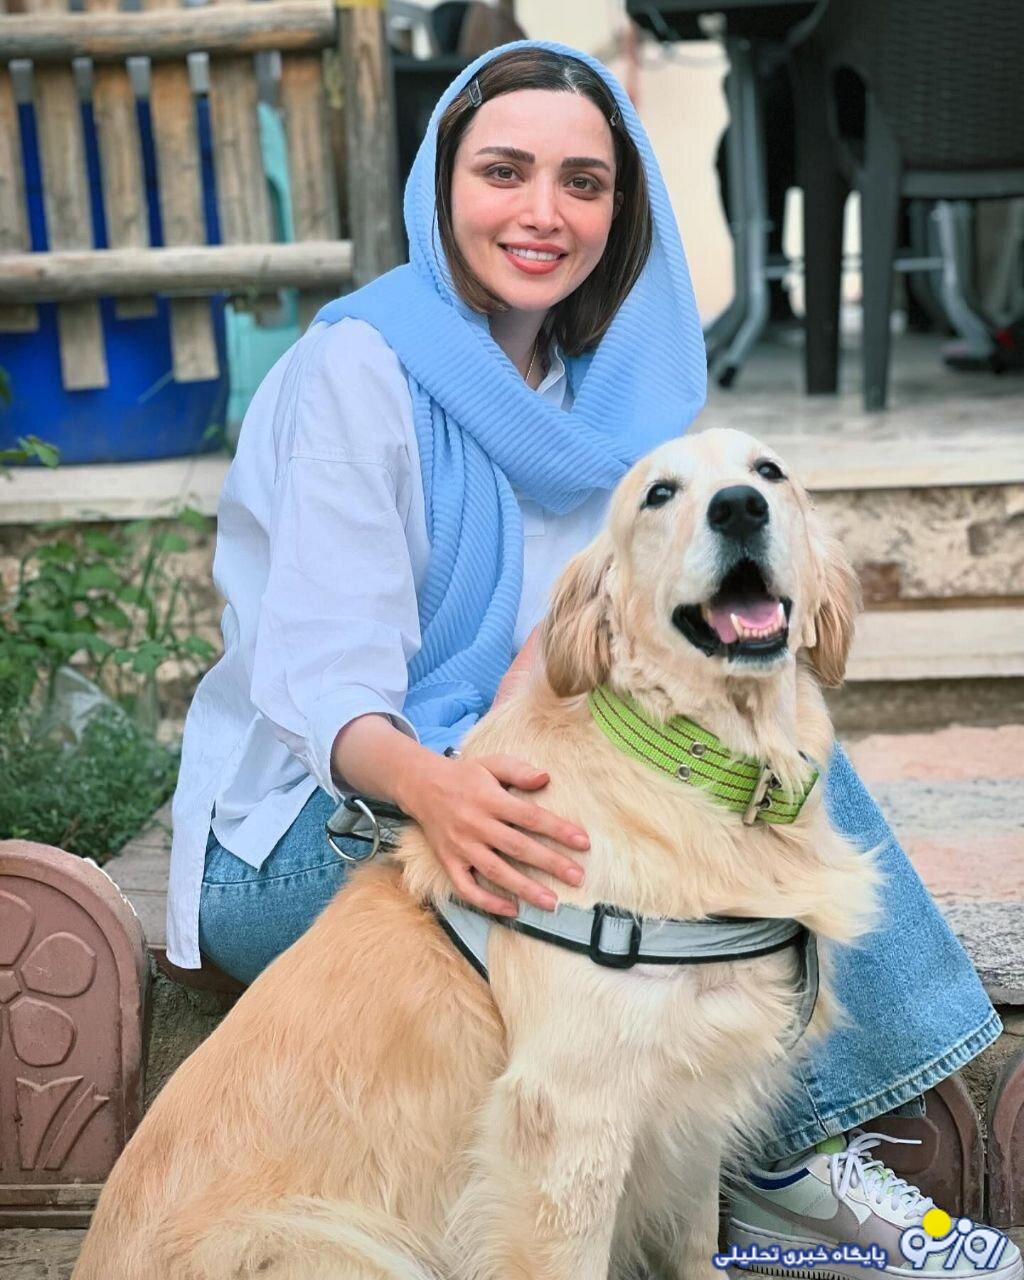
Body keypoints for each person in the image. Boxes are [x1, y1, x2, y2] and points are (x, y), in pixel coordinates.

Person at [165, 40, 1015, 1274]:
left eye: (582, 182)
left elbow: (588, 640)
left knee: (763, 739)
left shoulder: (598, 402)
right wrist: (439, 789)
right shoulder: (358, 368)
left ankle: (764, 1160)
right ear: (439, 185)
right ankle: (796, 1164)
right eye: (502, 172)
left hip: (495, 764)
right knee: (746, 785)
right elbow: (322, 679)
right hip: (315, 821)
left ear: (622, 211)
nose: (542, 213)